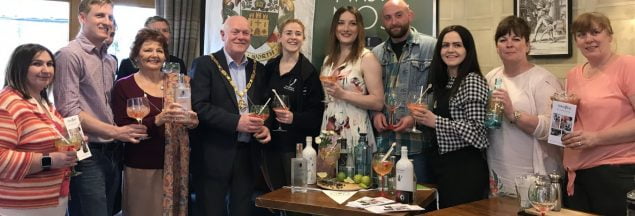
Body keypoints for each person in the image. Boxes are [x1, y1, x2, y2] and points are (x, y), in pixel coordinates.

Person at [53, 1, 148, 215]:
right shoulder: (70, 55)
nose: (106, 22)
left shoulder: (109, 60)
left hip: (112, 151)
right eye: (100, 16)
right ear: (82, 18)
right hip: (85, 152)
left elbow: (105, 106)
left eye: (110, 17)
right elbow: (69, 111)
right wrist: (116, 131)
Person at [111, 28, 198, 216]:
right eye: (147, 50)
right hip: (141, 164)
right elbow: (123, 128)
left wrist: (192, 120)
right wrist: (158, 120)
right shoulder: (124, 86)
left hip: (176, 164)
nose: (154, 55)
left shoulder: (178, 83)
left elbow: (190, 115)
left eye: (159, 50)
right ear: (136, 55)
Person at [190, 15, 271, 216]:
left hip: (247, 154)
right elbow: (198, 106)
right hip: (212, 154)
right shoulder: (204, 64)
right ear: (223, 34)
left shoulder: (258, 69)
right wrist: (237, 122)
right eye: (235, 32)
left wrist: (264, 126)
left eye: (246, 33)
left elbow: (263, 106)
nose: (241, 37)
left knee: (242, 211)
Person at [560, 12, 635, 216]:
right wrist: (561, 114)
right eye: (581, 34)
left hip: (616, 172)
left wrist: (595, 138)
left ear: (609, 36)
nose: (589, 39)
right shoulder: (573, 75)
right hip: (576, 175)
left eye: (595, 32)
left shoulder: (628, 65)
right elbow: (571, 123)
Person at [410, 25, 489, 208]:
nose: (450, 50)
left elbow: (478, 132)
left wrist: (435, 121)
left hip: (464, 170)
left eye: (457, 45)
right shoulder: (444, 82)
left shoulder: (472, 80)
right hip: (442, 166)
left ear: (467, 50)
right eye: (445, 45)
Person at [485, 16, 564, 197]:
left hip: (536, 171)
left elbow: (556, 130)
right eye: (503, 40)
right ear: (497, 47)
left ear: (528, 46)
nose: (509, 44)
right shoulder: (491, 77)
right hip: (498, 167)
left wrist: (513, 114)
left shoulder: (544, 80)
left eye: (516, 39)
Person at [0, 44, 77, 216]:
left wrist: (70, 141)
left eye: (50, 64)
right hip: (21, 205)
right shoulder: (8, 104)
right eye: (37, 64)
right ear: (19, 67)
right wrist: (49, 160)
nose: (46, 70)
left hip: (51, 199)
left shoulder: (43, 102)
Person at [371, 0, 436, 183]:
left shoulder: (431, 47)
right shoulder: (375, 54)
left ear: (410, 15)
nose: (394, 22)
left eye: (399, 15)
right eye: (388, 18)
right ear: (383, 22)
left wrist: (415, 117)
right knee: (382, 202)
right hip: (384, 146)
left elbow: (438, 91)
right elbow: (370, 92)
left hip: (418, 147)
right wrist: (375, 114)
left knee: (419, 202)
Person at [262, 19, 324, 191]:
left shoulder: (309, 72)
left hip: (295, 148)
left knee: (296, 197)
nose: (293, 37)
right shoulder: (269, 67)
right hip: (269, 145)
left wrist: (293, 118)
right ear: (279, 37)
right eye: (288, 33)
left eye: (298, 34)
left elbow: (317, 115)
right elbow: (262, 103)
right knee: (273, 197)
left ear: (303, 38)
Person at [320, 6, 383, 152]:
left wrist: (343, 94)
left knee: (355, 174)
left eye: (352, 23)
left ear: (359, 28)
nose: (346, 28)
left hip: (356, 132)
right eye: (341, 23)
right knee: (326, 175)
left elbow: (378, 102)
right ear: (335, 27)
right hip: (328, 130)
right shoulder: (328, 60)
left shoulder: (366, 58)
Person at [117, 16, 187, 80]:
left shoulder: (178, 63)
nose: (161, 34)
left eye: (165, 30)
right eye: (156, 31)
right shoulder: (127, 64)